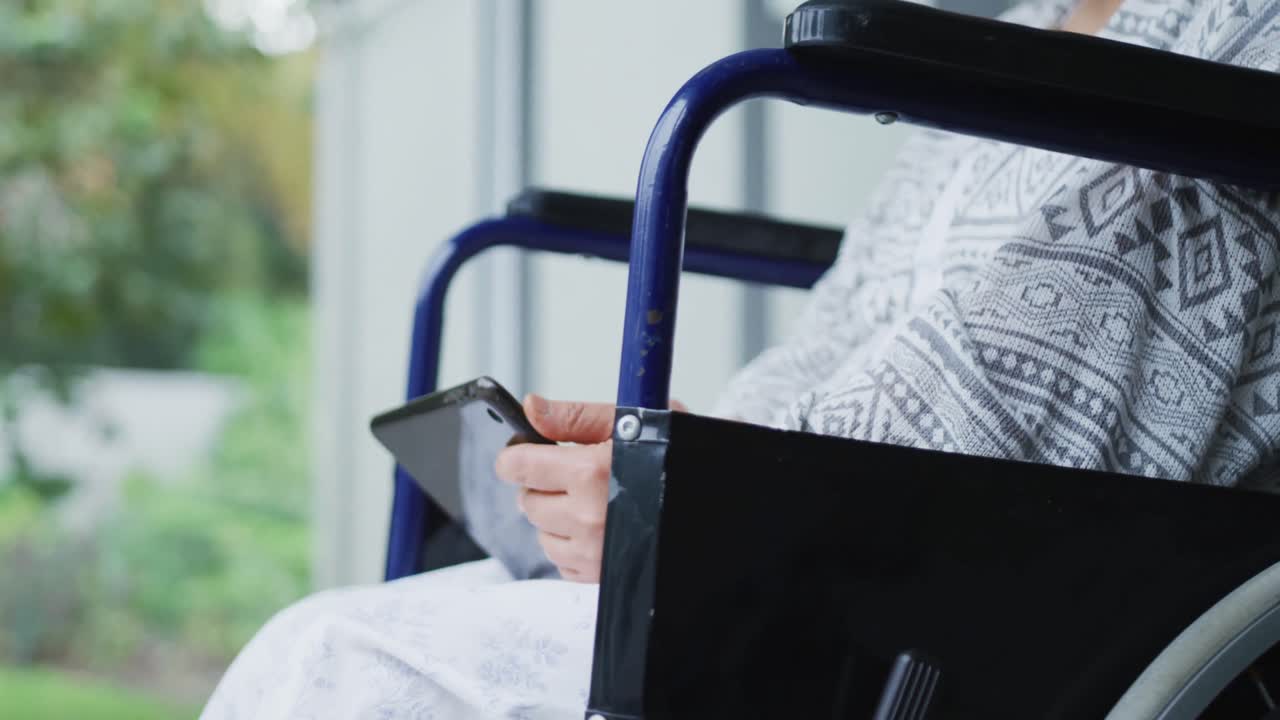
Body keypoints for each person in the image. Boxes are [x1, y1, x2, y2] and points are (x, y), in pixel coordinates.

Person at [202, 0, 1280, 715]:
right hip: (835, 549)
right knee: (355, 638)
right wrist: (693, 462)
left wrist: (713, 502)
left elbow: (1053, 385)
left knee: (343, 663)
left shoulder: (1237, 35)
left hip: (994, 618)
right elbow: (843, 338)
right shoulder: (1021, 37)